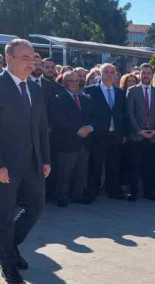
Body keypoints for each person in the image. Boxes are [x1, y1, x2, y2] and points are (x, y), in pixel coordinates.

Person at [0, 39, 51, 284]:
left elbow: (41, 128)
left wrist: (45, 159)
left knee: (36, 208)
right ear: (9, 59)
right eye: (25, 58)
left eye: (33, 59)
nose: (31, 63)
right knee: (4, 216)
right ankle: (7, 262)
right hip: (5, 166)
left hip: (32, 163)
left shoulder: (36, 89)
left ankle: (11, 247)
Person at [83, 63, 128, 200]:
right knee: (95, 164)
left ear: (115, 75)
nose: (109, 74)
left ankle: (112, 191)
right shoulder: (90, 90)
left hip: (115, 134)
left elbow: (123, 114)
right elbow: (87, 113)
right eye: (106, 72)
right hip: (98, 134)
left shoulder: (120, 92)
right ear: (100, 74)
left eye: (112, 72)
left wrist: (124, 133)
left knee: (113, 164)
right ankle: (92, 192)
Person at [50, 70, 95, 206]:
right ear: (64, 83)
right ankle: (62, 196)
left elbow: (94, 117)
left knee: (81, 171)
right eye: (70, 81)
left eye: (76, 81)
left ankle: (78, 195)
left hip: (84, 141)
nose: (74, 83)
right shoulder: (58, 98)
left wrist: (89, 128)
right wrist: (78, 130)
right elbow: (60, 120)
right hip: (67, 142)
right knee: (65, 172)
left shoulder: (86, 98)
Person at [125, 63, 155, 201]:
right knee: (135, 165)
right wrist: (139, 131)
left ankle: (149, 192)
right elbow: (130, 113)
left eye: (149, 73)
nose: (146, 76)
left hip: (153, 136)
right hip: (137, 136)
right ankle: (134, 193)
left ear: (151, 75)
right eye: (144, 73)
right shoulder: (132, 91)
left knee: (150, 166)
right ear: (140, 74)